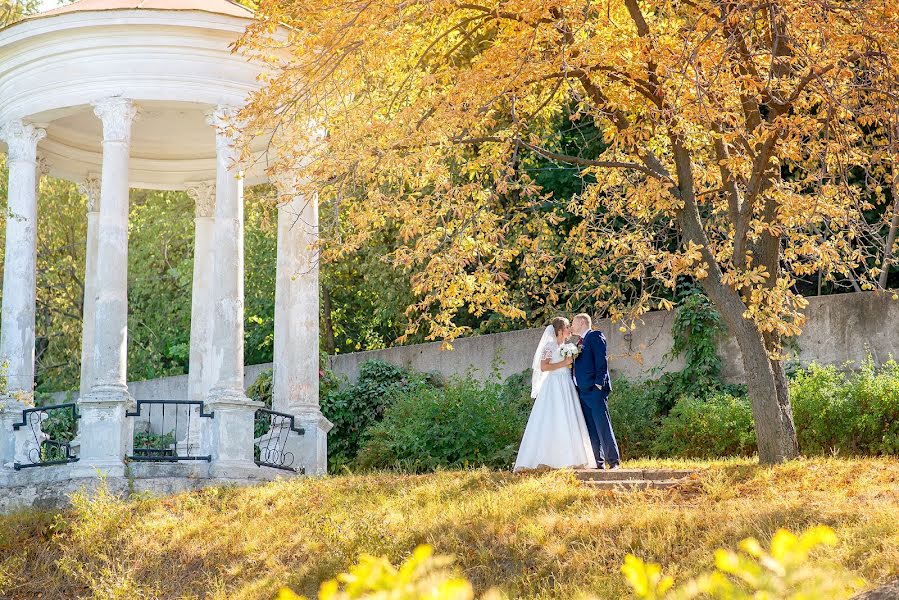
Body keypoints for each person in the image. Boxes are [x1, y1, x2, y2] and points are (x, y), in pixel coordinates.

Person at [513, 317, 597, 472]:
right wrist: (564, 363)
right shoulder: (549, 346)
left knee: (569, 417)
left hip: (567, 385)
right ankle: (549, 458)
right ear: (559, 330)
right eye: (567, 326)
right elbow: (543, 367)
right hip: (553, 385)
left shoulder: (569, 346)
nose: (570, 329)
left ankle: (572, 458)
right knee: (554, 418)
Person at [571, 313, 620, 470]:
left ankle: (613, 462)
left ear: (582, 322)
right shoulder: (578, 342)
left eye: (573, 323)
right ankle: (598, 462)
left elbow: (601, 360)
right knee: (591, 428)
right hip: (582, 392)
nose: (571, 326)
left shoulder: (595, 336)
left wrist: (599, 384)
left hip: (594, 390)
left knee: (602, 425)